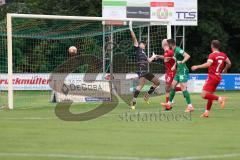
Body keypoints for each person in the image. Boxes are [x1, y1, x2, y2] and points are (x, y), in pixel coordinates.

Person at [191, 40, 231, 118]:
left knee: (203, 95)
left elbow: (208, 64)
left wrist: (197, 66)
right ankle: (206, 113)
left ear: (212, 46)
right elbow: (229, 63)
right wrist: (225, 69)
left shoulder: (212, 55)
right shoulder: (223, 55)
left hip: (212, 77)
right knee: (210, 95)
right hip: (218, 78)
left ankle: (220, 99)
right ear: (218, 46)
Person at [129, 21, 160, 110]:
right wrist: (131, 29)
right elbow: (134, 38)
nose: (144, 45)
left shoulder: (144, 53)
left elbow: (149, 61)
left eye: (144, 44)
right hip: (142, 70)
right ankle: (133, 101)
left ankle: (146, 96)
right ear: (140, 45)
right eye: (143, 44)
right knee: (141, 85)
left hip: (146, 70)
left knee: (157, 82)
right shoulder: (137, 48)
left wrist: (153, 57)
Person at [161, 39, 194, 112]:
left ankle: (190, 106)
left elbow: (187, 56)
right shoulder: (175, 51)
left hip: (183, 71)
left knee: (183, 87)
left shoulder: (178, 49)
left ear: (171, 44)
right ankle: (169, 104)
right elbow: (176, 59)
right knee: (172, 85)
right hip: (178, 71)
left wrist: (182, 62)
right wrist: (174, 65)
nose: (168, 46)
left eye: (168, 44)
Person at [149, 39, 181, 104]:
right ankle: (181, 90)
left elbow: (175, 59)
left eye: (162, 43)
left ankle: (168, 103)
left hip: (172, 72)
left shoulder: (169, 51)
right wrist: (157, 56)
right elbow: (166, 57)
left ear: (164, 44)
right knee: (169, 88)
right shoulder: (167, 52)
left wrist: (174, 65)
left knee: (167, 88)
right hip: (168, 72)